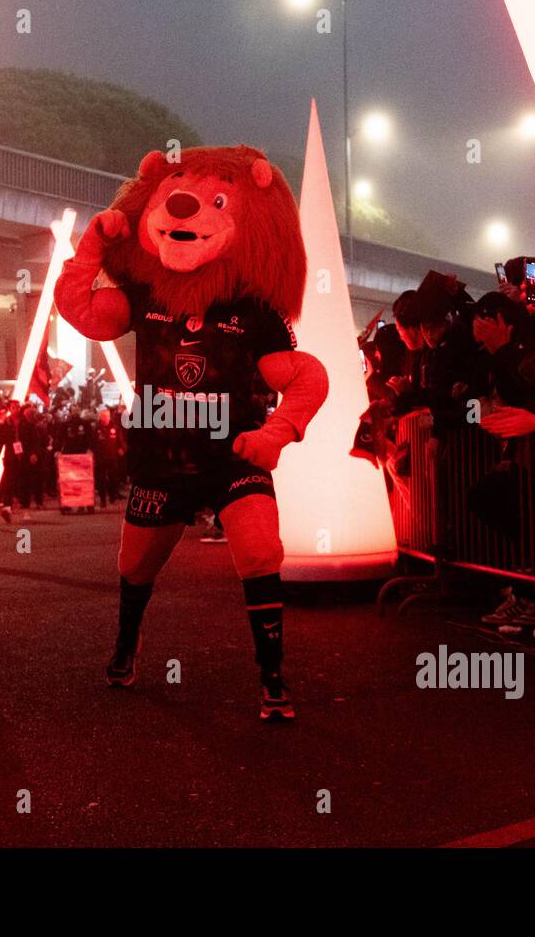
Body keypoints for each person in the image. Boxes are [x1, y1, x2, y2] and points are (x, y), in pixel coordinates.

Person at [54, 146, 328, 720]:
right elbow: (82, 312)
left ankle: (273, 681)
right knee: (134, 569)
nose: (182, 209)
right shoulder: (143, 296)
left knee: (261, 553)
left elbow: (305, 376)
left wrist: (278, 432)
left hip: (235, 456)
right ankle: (127, 644)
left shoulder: (254, 311)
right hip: (162, 461)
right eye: (173, 195)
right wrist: (92, 247)